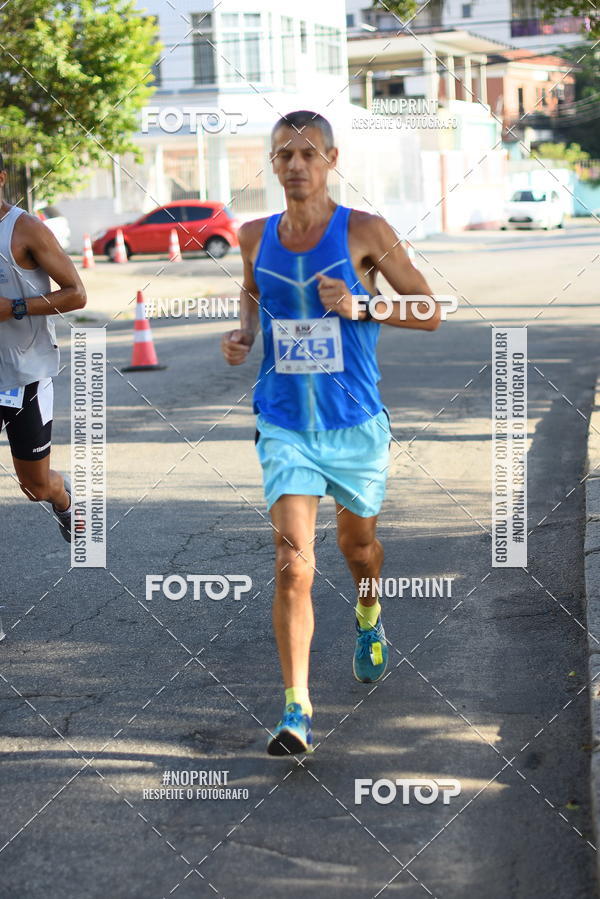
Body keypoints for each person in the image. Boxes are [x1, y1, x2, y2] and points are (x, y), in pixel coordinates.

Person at [221, 111, 440, 756]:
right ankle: (297, 711)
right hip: (285, 423)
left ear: (331, 159)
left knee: (358, 547)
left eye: (307, 154)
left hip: (354, 425)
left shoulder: (365, 231)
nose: (295, 165)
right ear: (272, 163)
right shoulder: (253, 235)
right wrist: (244, 335)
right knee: (293, 566)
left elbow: (429, 310)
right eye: (283, 154)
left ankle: (369, 616)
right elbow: (253, 295)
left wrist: (362, 305)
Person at [0, 153, 86, 544]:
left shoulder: (25, 229)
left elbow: (76, 294)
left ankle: (63, 499)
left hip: (24, 374)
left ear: (1, 178)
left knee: (35, 486)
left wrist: (15, 307)